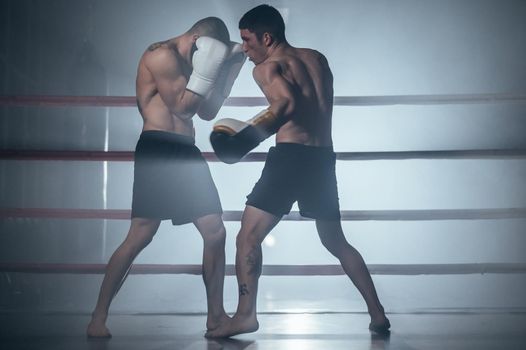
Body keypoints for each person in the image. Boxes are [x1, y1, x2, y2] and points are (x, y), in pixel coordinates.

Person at [206, 5, 390, 338]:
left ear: (266, 37)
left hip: (290, 159)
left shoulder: (267, 68)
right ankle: (378, 314)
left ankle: (245, 316)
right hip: (322, 158)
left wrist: (243, 141)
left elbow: (287, 104)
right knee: (335, 240)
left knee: (247, 238)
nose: (245, 49)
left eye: (247, 41)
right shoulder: (316, 59)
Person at [87, 16, 246, 338]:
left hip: (186, 150)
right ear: (197, 40)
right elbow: (183, 109)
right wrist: (213, 63)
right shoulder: (161, 56)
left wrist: (230, 67)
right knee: (140, 235)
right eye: (208, 53)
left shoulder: (196, 59)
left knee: (215, 231)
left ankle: (215, 316)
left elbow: (206, 112)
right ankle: (98, 317)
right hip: (158, 149)